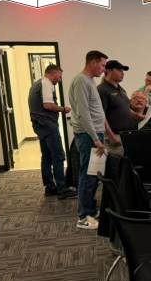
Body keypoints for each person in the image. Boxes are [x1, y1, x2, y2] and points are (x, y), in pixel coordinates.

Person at [69, 50, 108, 230]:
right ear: (93, 63)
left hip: (95, 134)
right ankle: (83, 217)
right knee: (87, 175)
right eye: (103, 65)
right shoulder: (81, 81)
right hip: (88, 136)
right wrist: (95, 138)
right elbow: (83, 113)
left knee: (94, 175)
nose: (104, 69)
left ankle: (90, 211)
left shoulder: (90, 80)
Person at [27, 64, 76, 199]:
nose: (60, 80)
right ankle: (62, 189)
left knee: (47, 157)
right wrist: (64, 109)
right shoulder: (46, 84)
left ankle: (50, 187)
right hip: (48, 125)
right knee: (59, 156)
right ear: (53, 73)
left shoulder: (36, 84)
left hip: (39, 125)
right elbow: (48, 105)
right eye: (59, 77)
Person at [97, 60, 132, 157]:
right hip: (114, 135)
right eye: (119, 70)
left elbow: (123, 107)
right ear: (109, 71)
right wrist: (111, 136)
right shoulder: (102, 90)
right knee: (117, 163)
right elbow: (100, 115)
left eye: (123, 71)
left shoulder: (121, 89)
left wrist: (136, 115)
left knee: (127, 163)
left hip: (126, 134)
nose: (122, 73)